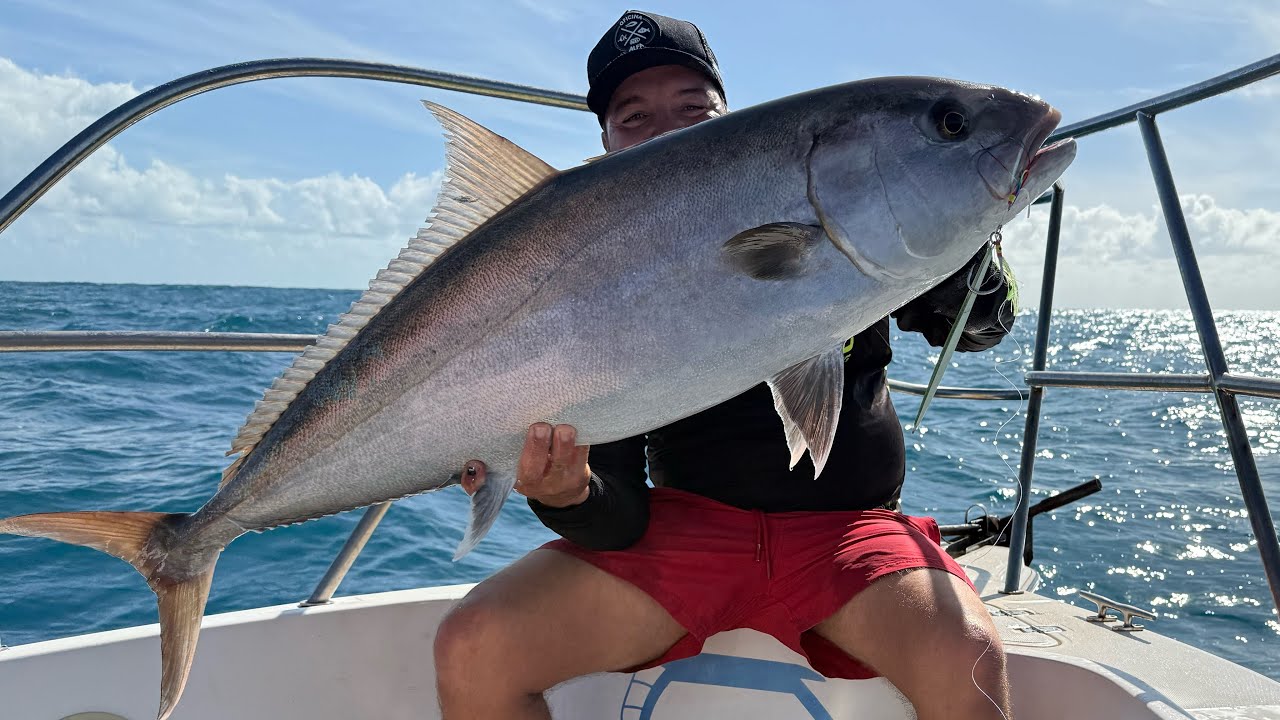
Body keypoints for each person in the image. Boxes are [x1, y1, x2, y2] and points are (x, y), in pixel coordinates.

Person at [434, 10, 1018, 720]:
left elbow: (981, 328)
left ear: (728, 118)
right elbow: (617, 517)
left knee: (968, 657)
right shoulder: (597, 283)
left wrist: (967, 243)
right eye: (634, 117)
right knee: (473, 646)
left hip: (849, 530)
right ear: (606, 144)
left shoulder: (841, 204)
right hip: (685, 533)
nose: (666, 130)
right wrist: (568, 495)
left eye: (693, 108)